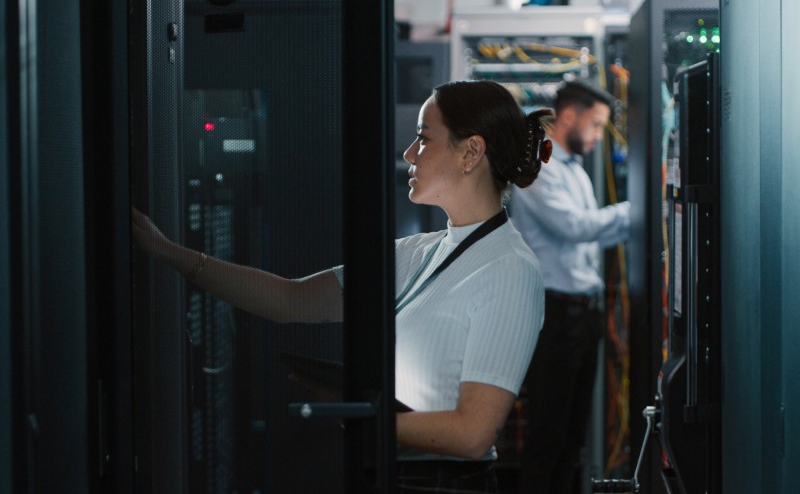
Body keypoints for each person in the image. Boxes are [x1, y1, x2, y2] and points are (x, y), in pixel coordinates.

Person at [132, 79, 552, 493]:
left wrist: (361, 414)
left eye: (423, 139)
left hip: (442, 484)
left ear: (471, 152)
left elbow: (472, 434)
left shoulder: (509, 268)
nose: (408, 154)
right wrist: (169, 253)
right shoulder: (418, 252)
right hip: (391, 472)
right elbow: (291, 299)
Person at [510, 79, 630, 493]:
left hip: (583, 314)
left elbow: (589, 233)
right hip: (555, 316)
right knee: (549, 432)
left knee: (574, 434)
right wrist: (638, 210)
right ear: (568, 117)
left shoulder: (575, 170)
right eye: (595, 126)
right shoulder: (539, 169)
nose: (598, 136)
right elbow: (575, 228)